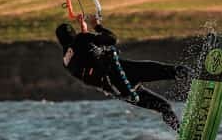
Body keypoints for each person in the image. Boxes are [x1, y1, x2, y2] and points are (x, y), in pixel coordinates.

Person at [56, 14, 188, 131]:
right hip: (125, 71)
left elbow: (83, 53)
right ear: (74, 34)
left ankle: (180, 131)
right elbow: (111, 39)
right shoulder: (81, 39)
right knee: (170, 71)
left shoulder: (66, 61)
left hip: (119, 90)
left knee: (163, 107)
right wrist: (97, 26)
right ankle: (199, 77)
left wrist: (84, 30)